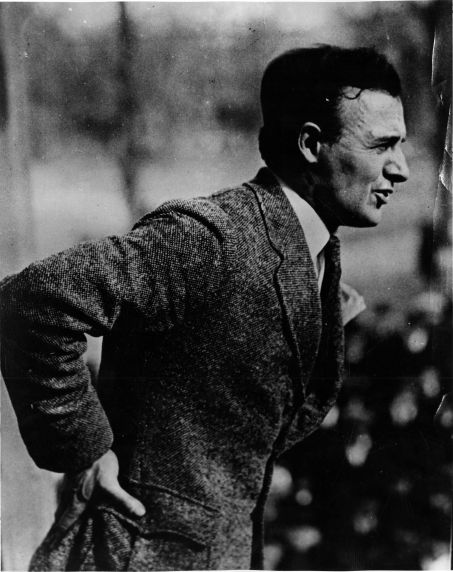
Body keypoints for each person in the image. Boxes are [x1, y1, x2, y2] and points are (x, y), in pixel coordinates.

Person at [0, 45, 409, 571]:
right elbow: (31, 302)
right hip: (135, 553)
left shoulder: (317, 252)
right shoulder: (213, 239)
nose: (401, 168)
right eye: (382, 145)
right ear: (311, 144)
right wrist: (86, 451)